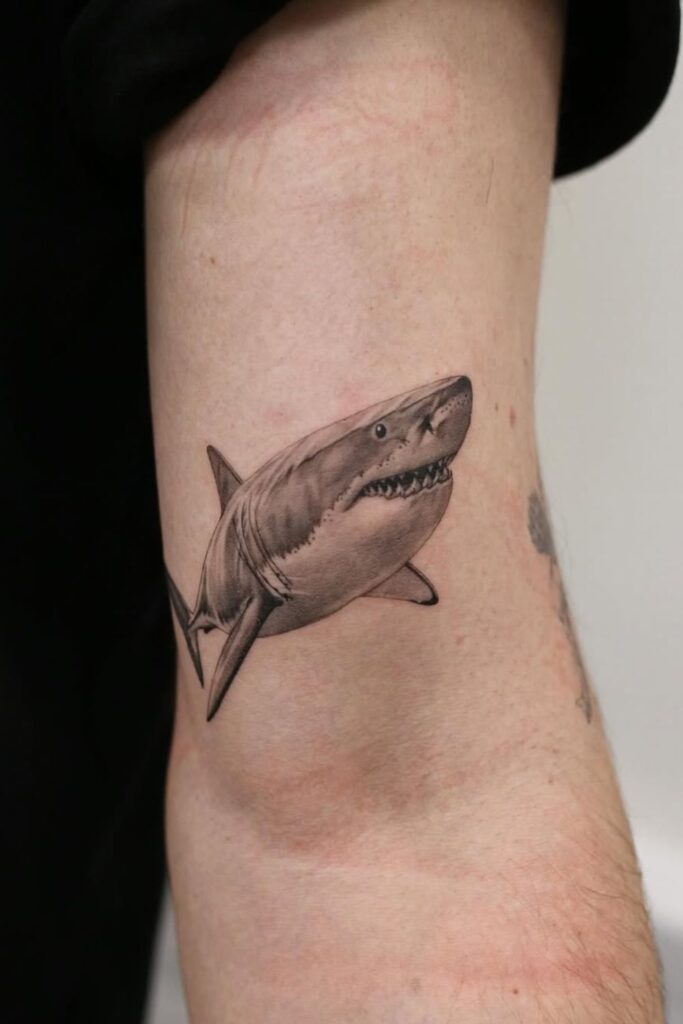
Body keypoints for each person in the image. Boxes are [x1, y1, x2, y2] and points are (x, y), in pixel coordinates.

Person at [1, 1, 679, 1021]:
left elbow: (390, 828)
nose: (438, 428)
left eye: (423, 432)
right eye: (398, 435)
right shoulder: (256, 572)